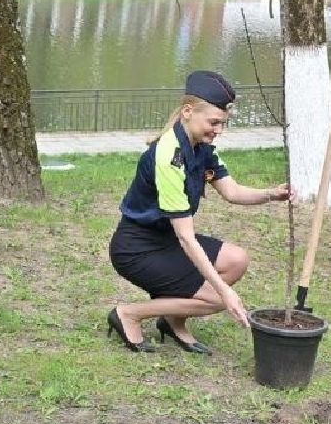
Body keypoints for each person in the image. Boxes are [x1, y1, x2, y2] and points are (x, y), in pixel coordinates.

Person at [106, 71, 291, 355]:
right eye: (213, 122)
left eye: (222, 124)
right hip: (137, 250)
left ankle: (173, 318)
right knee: (216, 298)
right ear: (188, 112)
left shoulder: (201, 147)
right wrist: (224, 292)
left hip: (164, 242)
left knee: (236, 260)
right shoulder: (170, 155)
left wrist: (271, 194)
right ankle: (129, 314)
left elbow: (232, 192)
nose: (218, 130)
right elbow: (186, 238)